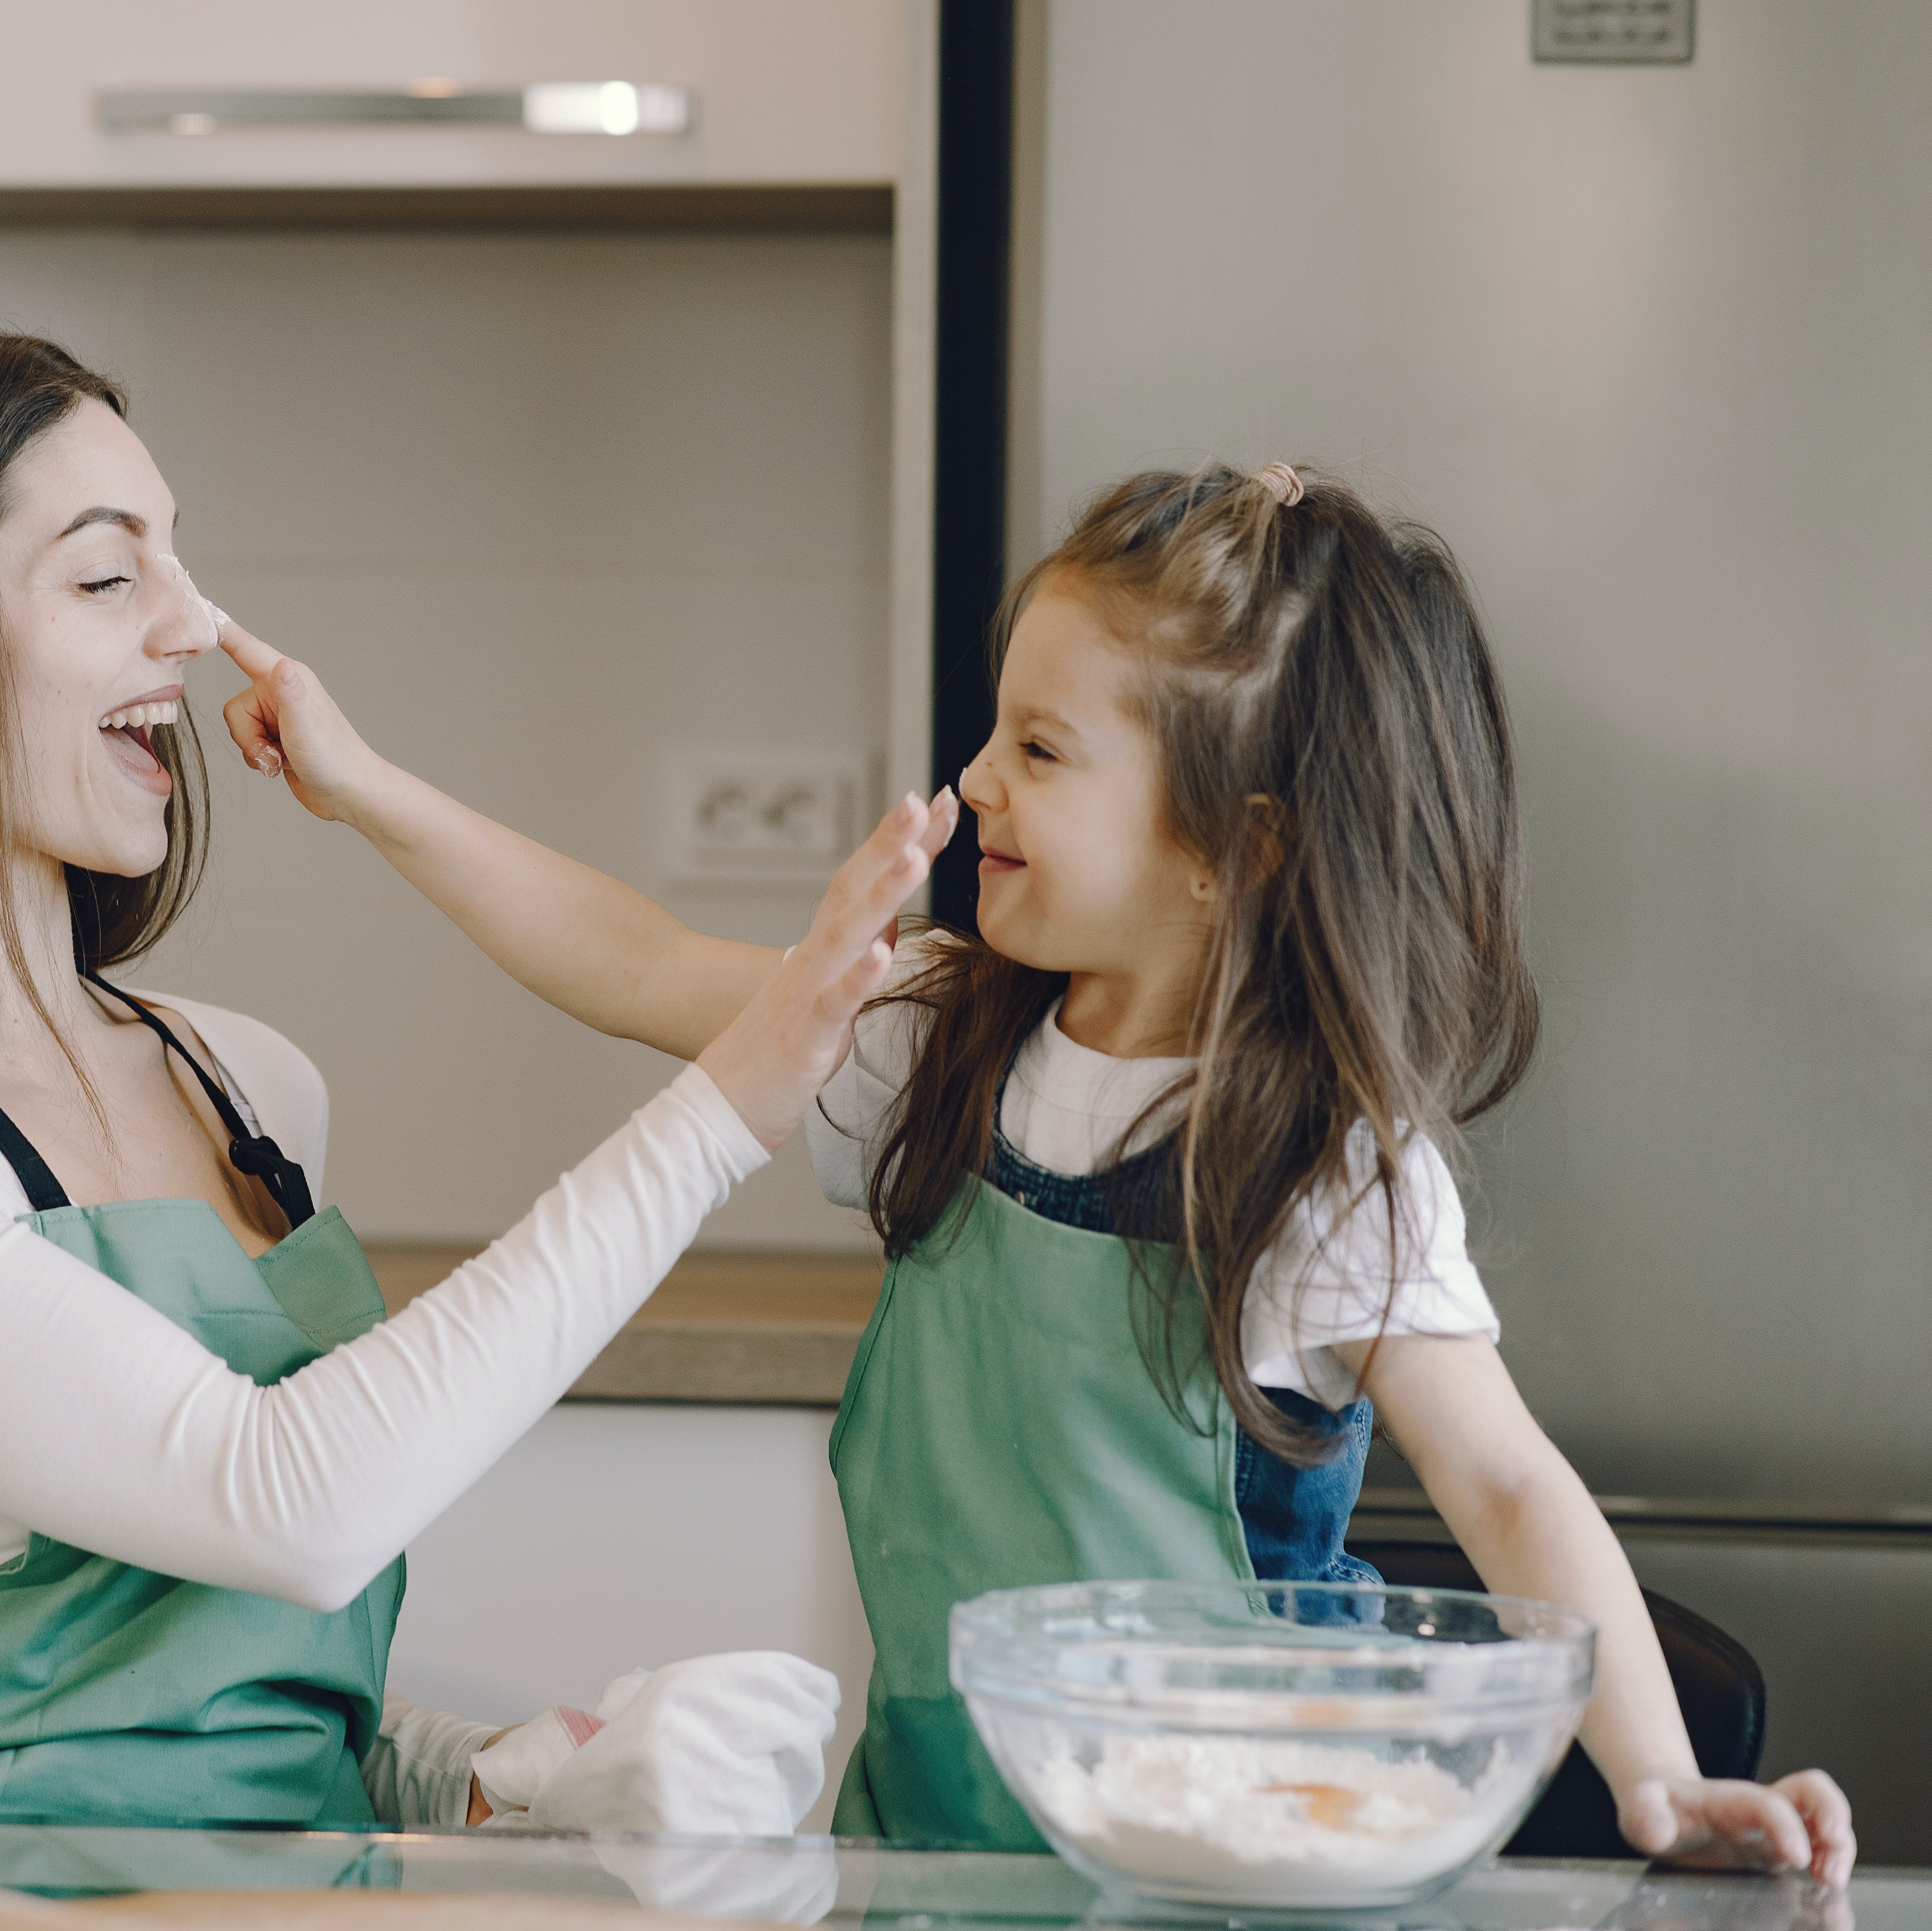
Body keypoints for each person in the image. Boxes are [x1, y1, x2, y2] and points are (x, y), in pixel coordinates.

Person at [214, 462, 1856, 1879]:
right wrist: (365, 792)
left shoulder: (1320, 1169)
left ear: (1236, 852)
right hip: (935, 1843)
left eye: (1044, 751)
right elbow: (631, 959)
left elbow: (1507, 1486)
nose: (976, 780)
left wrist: (1654, 1782)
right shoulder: (940, 1033)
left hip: (1240, 1865)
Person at [0, 330, 940, 1830]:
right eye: (105, 576)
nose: (193, 625)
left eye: (177, 564)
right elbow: (290, 1502)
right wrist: (728, 1104)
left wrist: (502, 1776)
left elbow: (235, 1697)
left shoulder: (242, 1084)